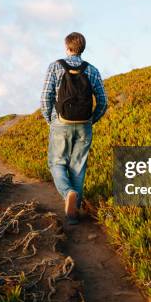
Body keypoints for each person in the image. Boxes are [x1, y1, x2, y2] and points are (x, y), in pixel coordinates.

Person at [40, 32, 108, 225]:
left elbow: (45, 99)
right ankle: (73, 214)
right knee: (78, 167)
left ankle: (67, 192)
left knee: (56, 163)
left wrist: (50, 120)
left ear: (67, 47)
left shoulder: (55, 67)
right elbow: (103, 101)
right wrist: (91, 120)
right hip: (85, 124)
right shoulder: (92, 70)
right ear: (82, 48)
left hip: (61, 122)